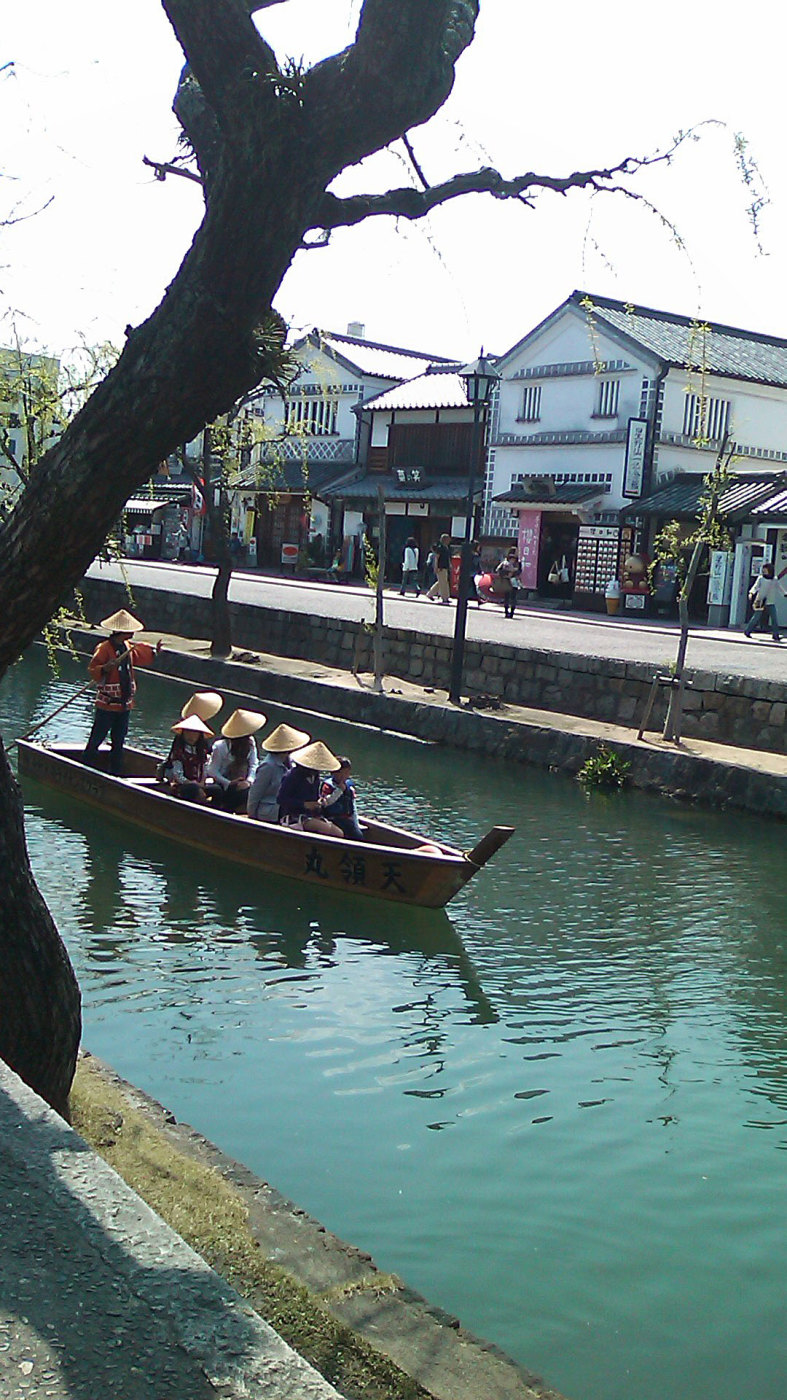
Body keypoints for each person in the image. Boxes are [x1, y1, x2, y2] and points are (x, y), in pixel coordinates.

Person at [84, 609, 162, 774]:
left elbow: (139, 656)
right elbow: (93, 669)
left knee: (119, 740)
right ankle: (86, 765)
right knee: (97, 737)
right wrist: (105, 668)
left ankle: (115, 771)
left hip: (124, 705)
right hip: (107, 704)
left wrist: (155, 652)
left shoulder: (127, 647)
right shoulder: (104, 648)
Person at [277, 740, 344, 835]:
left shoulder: (315, 777)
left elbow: (314, 798)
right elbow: (281, 799)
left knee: (338, 832)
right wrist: (304, 804)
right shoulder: (292, 776)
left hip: (311, 815)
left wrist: (319, 801)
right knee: (326, 829)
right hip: (293, 816)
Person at [247, 722, 310, 823]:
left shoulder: (291, 762)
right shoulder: (268, 766)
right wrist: (251, 815)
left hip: (286, 810)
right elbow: (255, 793)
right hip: (270, 812)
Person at [207, 708, 265, 811]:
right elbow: (212, 770)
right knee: (218, 791)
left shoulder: (250, 742)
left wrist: (249, 781)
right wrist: (229, 783)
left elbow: (254, 764)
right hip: (223, 782)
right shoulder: (220, 746)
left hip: (242, 781)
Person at [161, 714, 213, 802]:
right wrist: (190, 783)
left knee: (217, 790)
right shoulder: (179, 751)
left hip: (198, 784)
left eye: (195, 733)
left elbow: (204, 770)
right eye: (188, 732)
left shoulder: (201, 751)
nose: (191, 736)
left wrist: (201, 783)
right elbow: (178, 775)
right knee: (193, 789)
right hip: (181, 785)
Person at [319, 755, 363, 839]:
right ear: (334, 772)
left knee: (358, 836)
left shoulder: (349, 787)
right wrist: (339, 791)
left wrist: (355, 823)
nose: (344, 776)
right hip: (332, 819)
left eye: (347, 773)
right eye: (341, 773)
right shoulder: (328, 786)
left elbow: (353, 807)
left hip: (347, 819)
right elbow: (326, 802)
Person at [744, 562, 786, 642]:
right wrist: (751, 593)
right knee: (756, 617)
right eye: (763, 569)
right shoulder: (761, 578)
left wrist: (785, 594)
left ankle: (776, 635)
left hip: (770, 601)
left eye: (765, 569)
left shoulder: (774, 579)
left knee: (774, 618)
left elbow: (779, 587)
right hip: (760, 600)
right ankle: (747, 631)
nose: (764, 571)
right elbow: (755, 587)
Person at [493, 546, 522, 619]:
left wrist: (509, 573)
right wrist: (511, 572)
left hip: (509, 581)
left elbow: (498, 570)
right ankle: (509, 612)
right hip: (511, 581)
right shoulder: (509, 562)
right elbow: (519, 571)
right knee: (511, 597)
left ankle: (509, 612)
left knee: (509, 597)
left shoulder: (510, 562)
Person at [426, 533, 452, 604]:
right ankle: (445, 598)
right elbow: (437, 558)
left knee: (441, 582)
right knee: (443, 583)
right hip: (441, 567)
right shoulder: (440, 547)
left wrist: (449, 565)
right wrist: (436, 567)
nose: (449, 540)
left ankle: (430, 594)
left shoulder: (446, 548)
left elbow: (447, 558)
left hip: (445, 567)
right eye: (448, 539)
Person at [470, 542, 485, 606]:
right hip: (472, 572)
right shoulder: (475, 555)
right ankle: (477, 599)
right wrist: (479, 570)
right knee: (472, 586)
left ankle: (478, 599)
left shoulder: (471, 554)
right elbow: (476, 564)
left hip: (471, 572)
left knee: (472, 586)